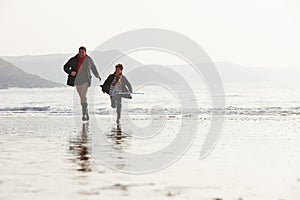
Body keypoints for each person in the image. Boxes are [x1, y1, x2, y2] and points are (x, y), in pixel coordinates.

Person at [63, 46, 101, 121]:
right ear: (78, 52)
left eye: (82, 52)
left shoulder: (89, 59)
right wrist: (70, 72)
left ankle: (84, 115)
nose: (81, 54)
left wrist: (97, 75)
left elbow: (93, 67)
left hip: (86, 80)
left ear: (85, 52)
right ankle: (86, 111)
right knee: (81, 97)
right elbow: (65, 67)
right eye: (80, 52)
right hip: (77, 81)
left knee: (83, 96)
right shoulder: (74, 59)